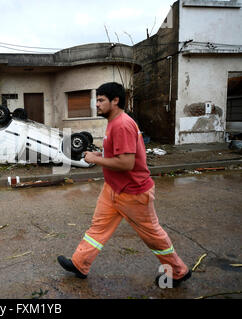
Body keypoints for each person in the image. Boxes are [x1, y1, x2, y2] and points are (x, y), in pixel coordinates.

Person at [57, 82, 191, 288]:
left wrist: (95, 159)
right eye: (97, 100)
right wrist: (100, 155)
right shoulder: (113, 122)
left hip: (133, 193)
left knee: (153, 237)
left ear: (115, 101)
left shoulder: (122, 125)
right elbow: (117, 155)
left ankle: (178, 272)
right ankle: (79, 264)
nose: (97, 105)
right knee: (98, 228)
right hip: (112, 189)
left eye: (101, 100)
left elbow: (126, 163)